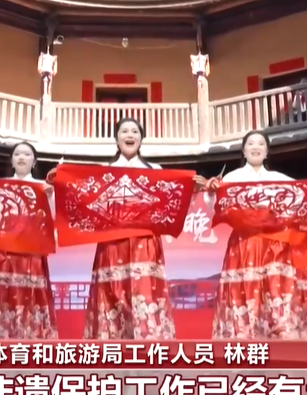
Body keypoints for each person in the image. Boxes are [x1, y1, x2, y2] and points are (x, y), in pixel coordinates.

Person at [48, 118, 199, 340]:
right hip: (112, 242)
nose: (130, 135)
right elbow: (81, 197)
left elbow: (172, 202)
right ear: (117, 139)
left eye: (135, 131)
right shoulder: (104, 172)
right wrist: (59, 182)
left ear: (141, 138)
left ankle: (150, 344)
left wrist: (191, 188)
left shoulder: (155, 170)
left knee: (145, 289)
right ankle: (110, 342)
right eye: (124, 131)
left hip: (145, 242)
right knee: (112, 289)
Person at [207, 130, 307, 360]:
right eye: (251, 144)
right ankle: (245, 341)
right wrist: (212, 191)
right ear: (244, 151)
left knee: (281, 288)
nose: (255, 147)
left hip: (277, 242)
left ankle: (290, 338)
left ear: (266, 152)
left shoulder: (280, 178)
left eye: (261, 144)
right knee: (245, 289)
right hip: (246, 241)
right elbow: (215, 206)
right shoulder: (232, 178)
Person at [0, 142, 57, 339]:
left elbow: (52, 220)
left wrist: (50, 197)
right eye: (18, 154)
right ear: (12, 161)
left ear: (34, 162)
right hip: (1, 252)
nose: (22, 157)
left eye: (27, 154)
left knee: (30, 296)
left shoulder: (43, 188)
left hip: (30, 252)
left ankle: (32, 342)